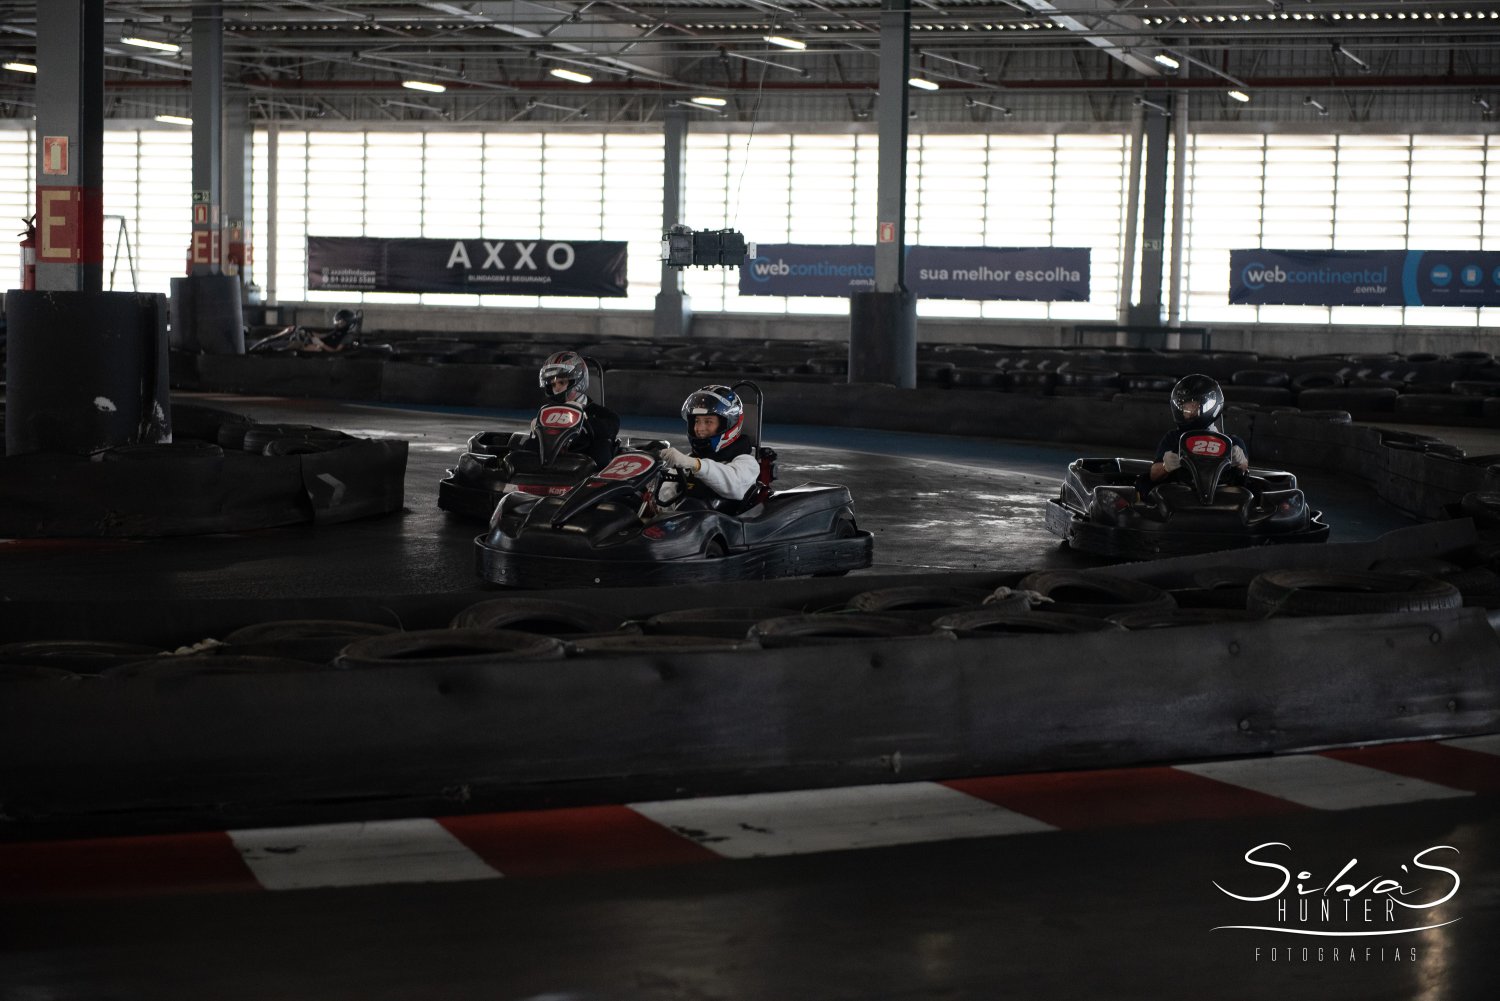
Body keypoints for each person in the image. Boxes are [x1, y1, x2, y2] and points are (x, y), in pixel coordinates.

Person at [658, 384, 761, 507]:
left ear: (727, 425)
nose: (700, 428)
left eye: (708, 421)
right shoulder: (687, 461)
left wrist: (696, 465)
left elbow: (735, 486)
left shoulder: (747, 463)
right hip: (686, 518)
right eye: (697, 421)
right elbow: (664, 499)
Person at [1142, 374, 1248, 491]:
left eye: (1192, 404)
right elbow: (1153, 475)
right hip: (1181, 493)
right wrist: (1165, 467)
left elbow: (1244, 468)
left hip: (1221, 494)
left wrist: (1240, 462)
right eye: (1183, 405)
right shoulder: (1173, 438)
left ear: (1208, 404)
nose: (1186, 409)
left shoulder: (1232, 442)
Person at [536, 350, 619, 469]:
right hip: (554, 461)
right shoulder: (548, 412)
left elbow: (611, 427)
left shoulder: (601, 414)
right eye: (553, 385)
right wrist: (537, 429)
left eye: (561, 382)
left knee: (602, 443)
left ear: (577, 381)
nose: (556, 389)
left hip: (583, 464)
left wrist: (582, 417)